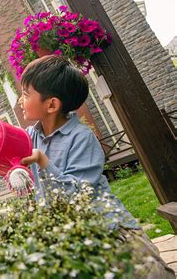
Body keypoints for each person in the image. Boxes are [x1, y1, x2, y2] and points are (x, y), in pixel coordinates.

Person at [17, 55, 175, 278]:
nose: (19, 101)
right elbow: (3, 155)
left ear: (51, 104)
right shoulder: (31, 137)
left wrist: (44, 162)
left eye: (25, 94)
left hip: (113, 233)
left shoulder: (81, 138)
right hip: (78, 239)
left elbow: (78, 195)